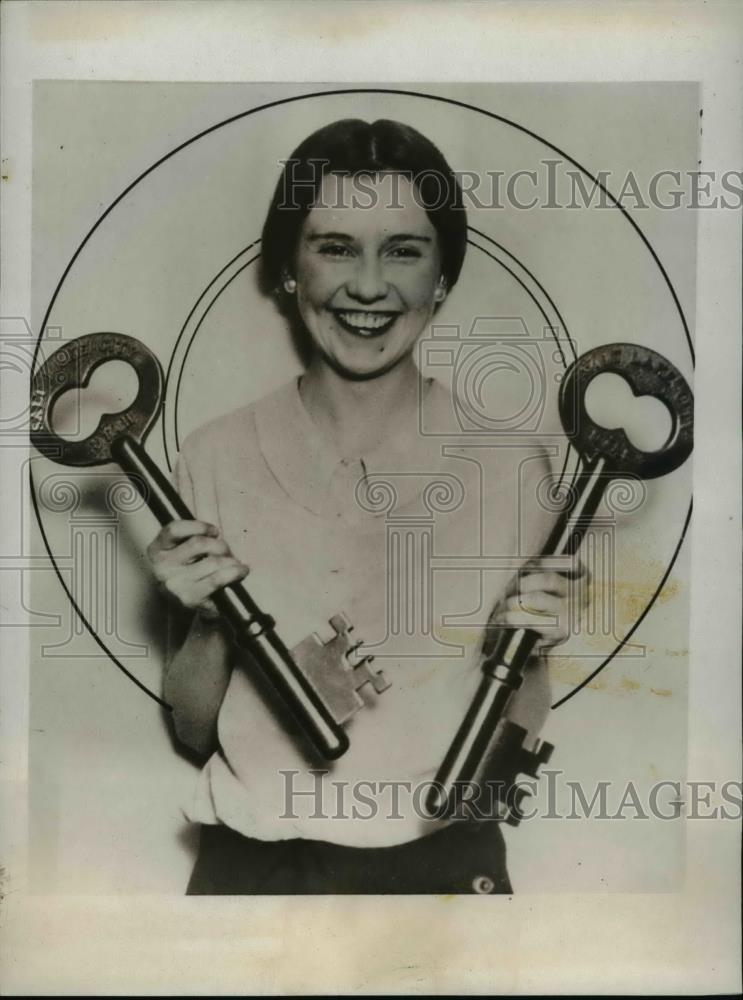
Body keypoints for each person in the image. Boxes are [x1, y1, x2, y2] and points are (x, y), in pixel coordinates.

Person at [147, 118, 586, 894]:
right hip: (254, 863)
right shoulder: (213, 455)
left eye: (404, 250)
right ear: (288, 268)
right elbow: (191, 728)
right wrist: (213, 620)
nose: (369, 286)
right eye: (335, 245)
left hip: (444, 862)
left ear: (442, 277)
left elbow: (522, 711)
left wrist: (540, 644)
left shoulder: (514, 465)